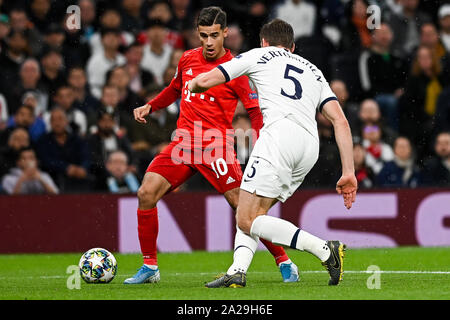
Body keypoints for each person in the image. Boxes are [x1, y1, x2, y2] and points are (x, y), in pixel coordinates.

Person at [125, 7, 297, 285]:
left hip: (216, 146)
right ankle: (150, 267)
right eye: (203, 35)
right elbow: (174, 89)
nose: (208, 42)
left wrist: (264, 145)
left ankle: (284, 261)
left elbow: (254, 111)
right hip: (182, 144)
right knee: (146, 193)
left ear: (225, 33)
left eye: (214, 35)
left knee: (245, 210)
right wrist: (151, 106)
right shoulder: (187, 59)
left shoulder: (236, 69)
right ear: (197, 33)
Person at [189, 18, 357, 287]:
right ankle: (237, 271)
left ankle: (325, 249)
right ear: (292, 47)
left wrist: (193, 84)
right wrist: (348, 171)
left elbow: (211, 78)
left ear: (264, 42)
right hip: (308, 146)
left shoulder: (259, 54)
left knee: (246, 218)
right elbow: (340, 121)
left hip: (278, 137)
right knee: (255, 211)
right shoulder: (313, 70)